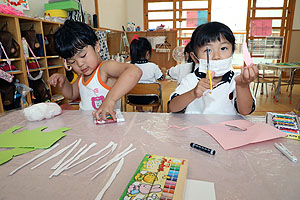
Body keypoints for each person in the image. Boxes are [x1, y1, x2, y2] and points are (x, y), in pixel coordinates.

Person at [48, 20, 142, 121]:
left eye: (83, 56)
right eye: (72, 62)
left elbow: (134, 71)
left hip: (108, 127)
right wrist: (63, 81)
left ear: (96, 46)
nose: (80, 64)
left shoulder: (105, 68)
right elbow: (71, 94)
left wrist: (110, 100)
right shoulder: (82, 77)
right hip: (88, 127)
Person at [168, 22, 258, 115]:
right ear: (194, 57)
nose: (216, 56)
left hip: (227, 128)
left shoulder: (238, 80)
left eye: (223, 48)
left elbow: (245, 111)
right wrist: (193, 93)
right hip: (195, 128)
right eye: (208, 50)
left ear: (232, 52)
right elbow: (172, 107)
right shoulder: (190, 80)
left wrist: (242, 86)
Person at [128, 37, 164, 112]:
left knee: (136, 89)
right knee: (158, 96)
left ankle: (140, 111)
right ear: (147, 53)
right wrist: (163, 72)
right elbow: (161, 78)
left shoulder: (128, 66)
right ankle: (154, 112)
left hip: (133, 98)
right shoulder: (153, 66)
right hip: (151, 98)